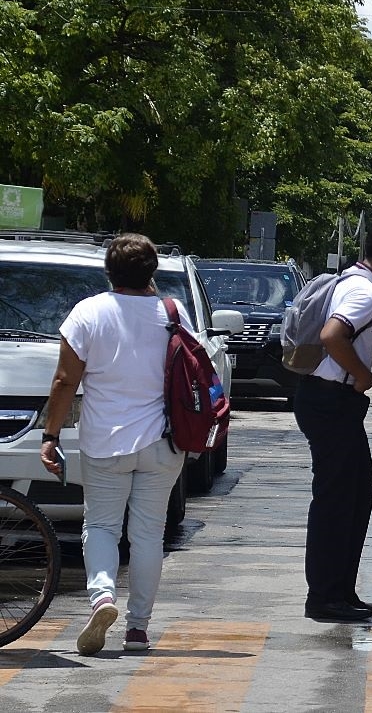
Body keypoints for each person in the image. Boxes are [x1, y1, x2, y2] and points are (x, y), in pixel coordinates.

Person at [39, 233, 191, 656]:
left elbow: (66, 380)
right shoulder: (173, 314)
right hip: (164, 443)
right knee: (148, 534)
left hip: (106, 442)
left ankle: (103, 597)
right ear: (152, 271)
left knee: (102, 526)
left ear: (109, 270)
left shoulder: (89, 312)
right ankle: (139, 628)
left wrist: (50, 435)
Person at [294, 218, 372, 623]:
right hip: (331, 402)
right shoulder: (365, 292)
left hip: (326, 400)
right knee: (337, 498)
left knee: (355, 493)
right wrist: (364, 375)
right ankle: (325, 597)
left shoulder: (347, 280)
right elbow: (334, 335)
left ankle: (340, 590)